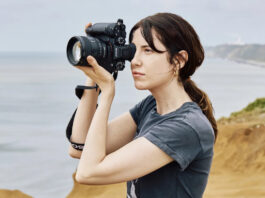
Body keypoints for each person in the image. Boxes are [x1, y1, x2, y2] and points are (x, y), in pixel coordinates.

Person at [66, 12, 218, 198]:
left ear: (178, 60)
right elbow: (78, 147)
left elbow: (88, 172)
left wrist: (107, 95)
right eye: (134, 50)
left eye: (148, 50)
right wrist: (93, 76)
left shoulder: (186, 127)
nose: (135, 61)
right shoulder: (150, 107)